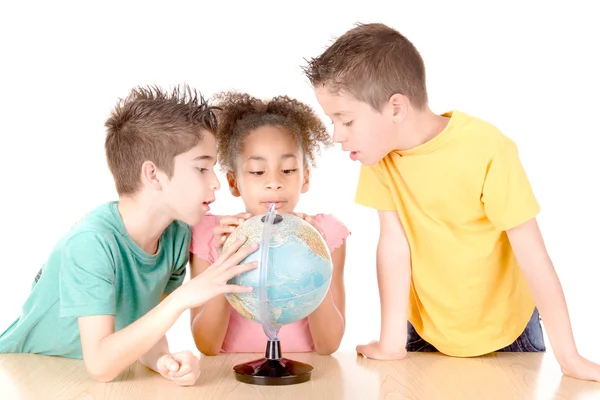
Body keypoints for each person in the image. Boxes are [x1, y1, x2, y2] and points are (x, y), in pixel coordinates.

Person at [302, 22, 600, 382]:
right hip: (427, 331)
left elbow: (533, 254)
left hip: (510, 334)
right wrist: (393, 340)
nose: (337, 135)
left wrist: (569, 357)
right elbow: (395, 247)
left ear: (396, 107)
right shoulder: (378, 156)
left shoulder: (488, 149)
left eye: (345, 120)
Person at [0, 85, 259, 385]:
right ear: (153, 174)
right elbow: (100, 364)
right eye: (201, 168)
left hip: (80, 376)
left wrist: (164, 360)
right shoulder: (91, 244)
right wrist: (183, 298)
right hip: (23, 371)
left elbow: (142, 331)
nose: (215, 183)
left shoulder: (175, 238)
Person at [189, 92, 350, 355]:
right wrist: (222, 265)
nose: (274, 182)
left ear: (305, 178)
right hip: (228, 381)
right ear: (233, 182)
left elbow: (328, 346)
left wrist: (316, 255)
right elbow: (206, 346)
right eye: (256, 172)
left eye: (288, 170)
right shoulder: (211, 237)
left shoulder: (327, 235)